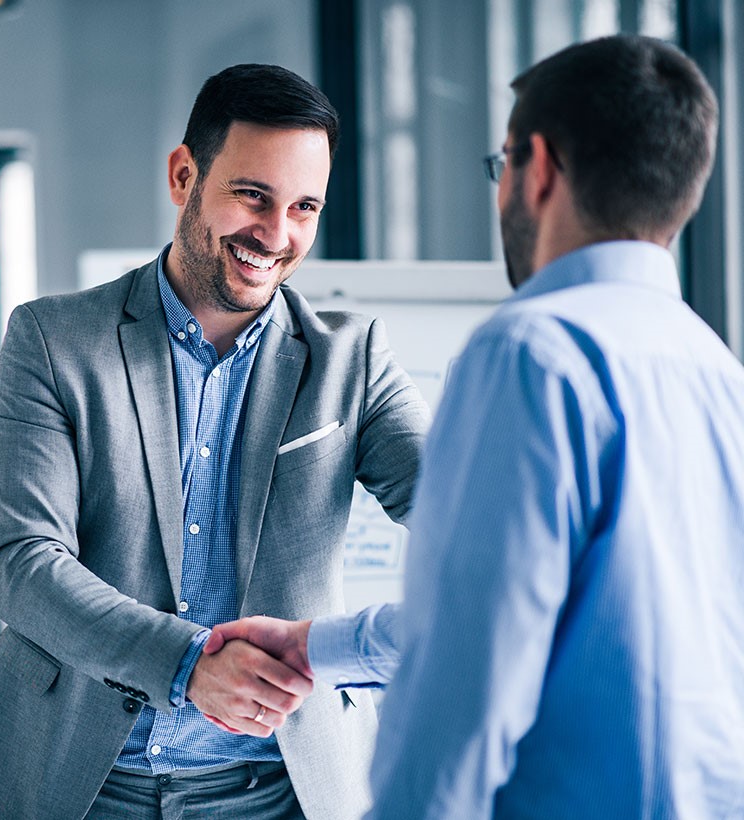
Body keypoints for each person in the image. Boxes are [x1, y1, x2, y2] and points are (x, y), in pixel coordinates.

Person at [209, 35, 744, 819]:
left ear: (540, 168)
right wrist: (314, 646)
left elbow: (468, 671)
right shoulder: (715, 368)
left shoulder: (530, 352)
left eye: (501, 168)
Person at [0, 64, 429, 820]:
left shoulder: (353, 361)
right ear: (184, 175)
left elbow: (474, 525)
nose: (277, 235)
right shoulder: (51, 340)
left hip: (279, 792)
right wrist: (185, 666)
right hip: (72, 782)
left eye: (305, 206)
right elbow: (20, 561)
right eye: (252, 196)